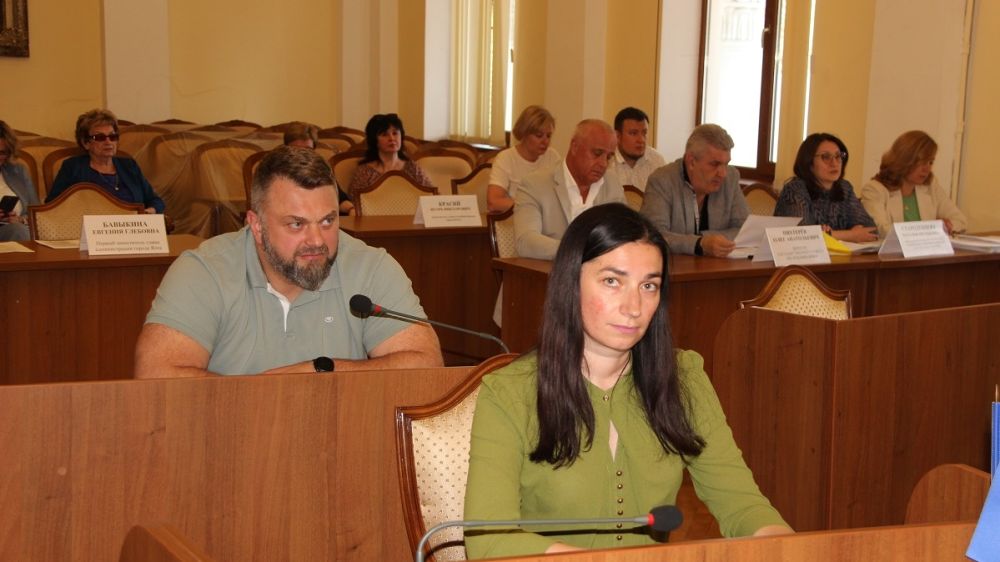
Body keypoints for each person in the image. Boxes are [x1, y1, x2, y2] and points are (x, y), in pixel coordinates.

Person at [464, 204, 792, 558]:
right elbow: (488, 541)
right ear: (569, 284)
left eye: (649, 286)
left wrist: (787, 547)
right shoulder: (509, 393)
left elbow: (741, 503)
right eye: (612, 281)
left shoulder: (683, 377)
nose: (634, 307)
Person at [134, 145, 443, 378]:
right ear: (257, 225)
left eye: (327, 221)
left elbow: (426, 363)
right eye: (296, 224)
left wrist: (322, 371)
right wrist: (271, 395)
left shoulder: (370, 267)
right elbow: (156, 374)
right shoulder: (204, 272)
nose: (317, 241)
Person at [513, 119, 626, 260]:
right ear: (574, 146)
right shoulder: (534, 184)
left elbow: (626, 234)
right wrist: (581, 251)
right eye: (597, 153)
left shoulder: (612, 183)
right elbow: (525, 242)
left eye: (609, 157)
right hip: (547, 270)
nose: (603, 163)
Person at [640, 124, 748, 257]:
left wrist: (704, 239)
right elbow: (652, 236)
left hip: (720, 265)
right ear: (691, 161)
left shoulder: (730, 178)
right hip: (675, 266)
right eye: (714, 164)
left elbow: (745, 229)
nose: (722, 173)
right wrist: (698, 244)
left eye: (726, 164)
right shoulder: (662, 181)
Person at [47, 109, 165, 213]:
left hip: (132, 227)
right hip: (93, 229)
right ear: (85, 143)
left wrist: (149, 212)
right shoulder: (73, 167)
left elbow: (155, 201)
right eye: (100, 137)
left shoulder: (129, 165)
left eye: (112, 137)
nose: (108, 142)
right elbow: (53, 205)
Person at [861, 130, 967, 236]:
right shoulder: (874, 190)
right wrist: (931, 229)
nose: (927, 169)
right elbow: (881, 230)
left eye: (930, 162)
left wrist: (947, 226)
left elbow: (960, 221)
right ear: (904, 160)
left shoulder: (930, 186)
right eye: (922, 162)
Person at [774, 133, 877, 242]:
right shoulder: (795, 189)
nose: (834, 163)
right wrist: (851, 235)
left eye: (838, 156)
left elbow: (872, 230)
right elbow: (802, 235)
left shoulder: (845, 188)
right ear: (809, 162)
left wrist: (833, 234)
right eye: (826, 157)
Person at [486, 105, 561, 213]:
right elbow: (494, 202)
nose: (545, 141)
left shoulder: (552, 156)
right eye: (539, 135)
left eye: (548, 136)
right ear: (524, 133)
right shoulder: (506, 158)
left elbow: (563, 195)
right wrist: (533, 205)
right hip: (513, 219)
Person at [347, 113, 434, 195]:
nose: (392, 138)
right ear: (374, 140)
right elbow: (355, 200)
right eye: (384, 134)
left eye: (395, 133)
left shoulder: (412, 168)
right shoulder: (365, 172)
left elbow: (431, 195)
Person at [283, 121, 355, 216]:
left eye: (307, 149)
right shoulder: (276, 169)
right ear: (286, 148)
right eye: (296, 149)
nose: (302, 154)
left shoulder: (321, 168)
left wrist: (351, 209)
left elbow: (339, 199)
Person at [605, 106, 665, 191]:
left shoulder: (657, 161)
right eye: (633, 133)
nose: (641, 140)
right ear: (617, 136)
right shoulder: (606, 162)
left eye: (644, 133)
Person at [0, 121, 39, 241]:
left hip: (18, 230)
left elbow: (37, 213)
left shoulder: (18, 171)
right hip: (18, 233)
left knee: (18, 229)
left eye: (2, 153)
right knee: (18, 231)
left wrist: (21, 220)